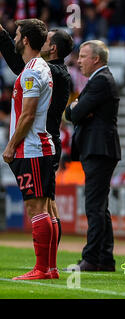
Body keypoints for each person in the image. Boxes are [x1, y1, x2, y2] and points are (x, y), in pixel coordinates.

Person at [0, 23, 74, 280]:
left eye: (18, 35)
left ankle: (42, 268)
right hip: (40, 145)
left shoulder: (33, 72)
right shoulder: (41, 68)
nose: (16, 39)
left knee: (37, 209)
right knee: (45, 207)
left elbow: (28, 114)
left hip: (31, 147)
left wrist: (10, 145)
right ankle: (50, 267)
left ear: (27, 40)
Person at [64, 40, 121, 272]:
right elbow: (76, 112)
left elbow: (73, 114)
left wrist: (76, 109)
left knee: (94, 206)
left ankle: (91, 259)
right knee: (100, 206)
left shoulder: (100, 81)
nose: (79, 61)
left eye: (83, 56)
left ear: (96, 59)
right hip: (99, 148)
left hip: (98, 149)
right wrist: (77, 109)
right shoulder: (100, 80)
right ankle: (105, 258)